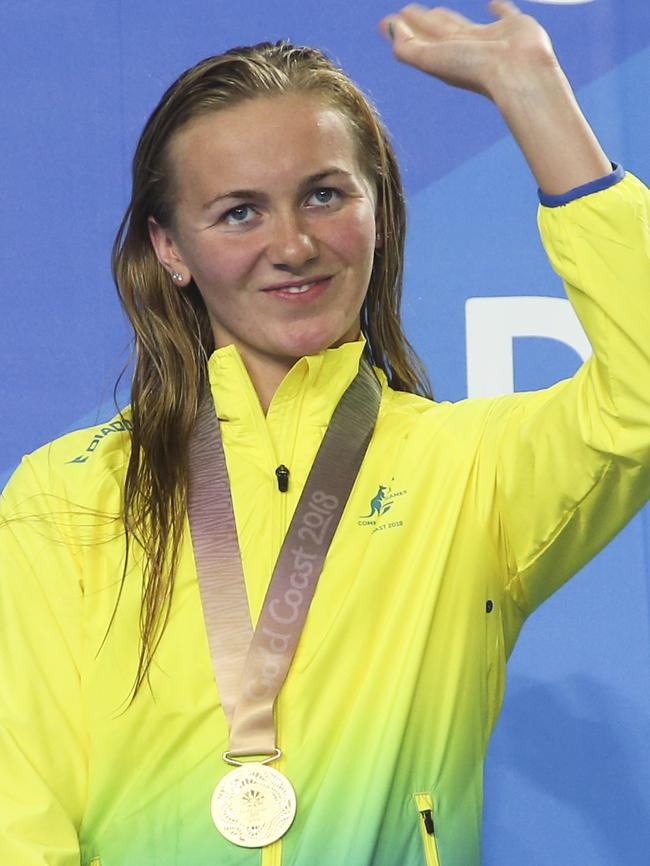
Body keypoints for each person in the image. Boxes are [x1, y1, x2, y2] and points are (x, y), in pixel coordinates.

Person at [1, 2, 648, 865]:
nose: (295, 244)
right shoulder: (65, 492)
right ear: (170, 248)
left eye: (325, 194)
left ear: (379, 210)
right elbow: (21, 808)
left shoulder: (473, 473)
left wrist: (533, 95)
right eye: (239, 212)